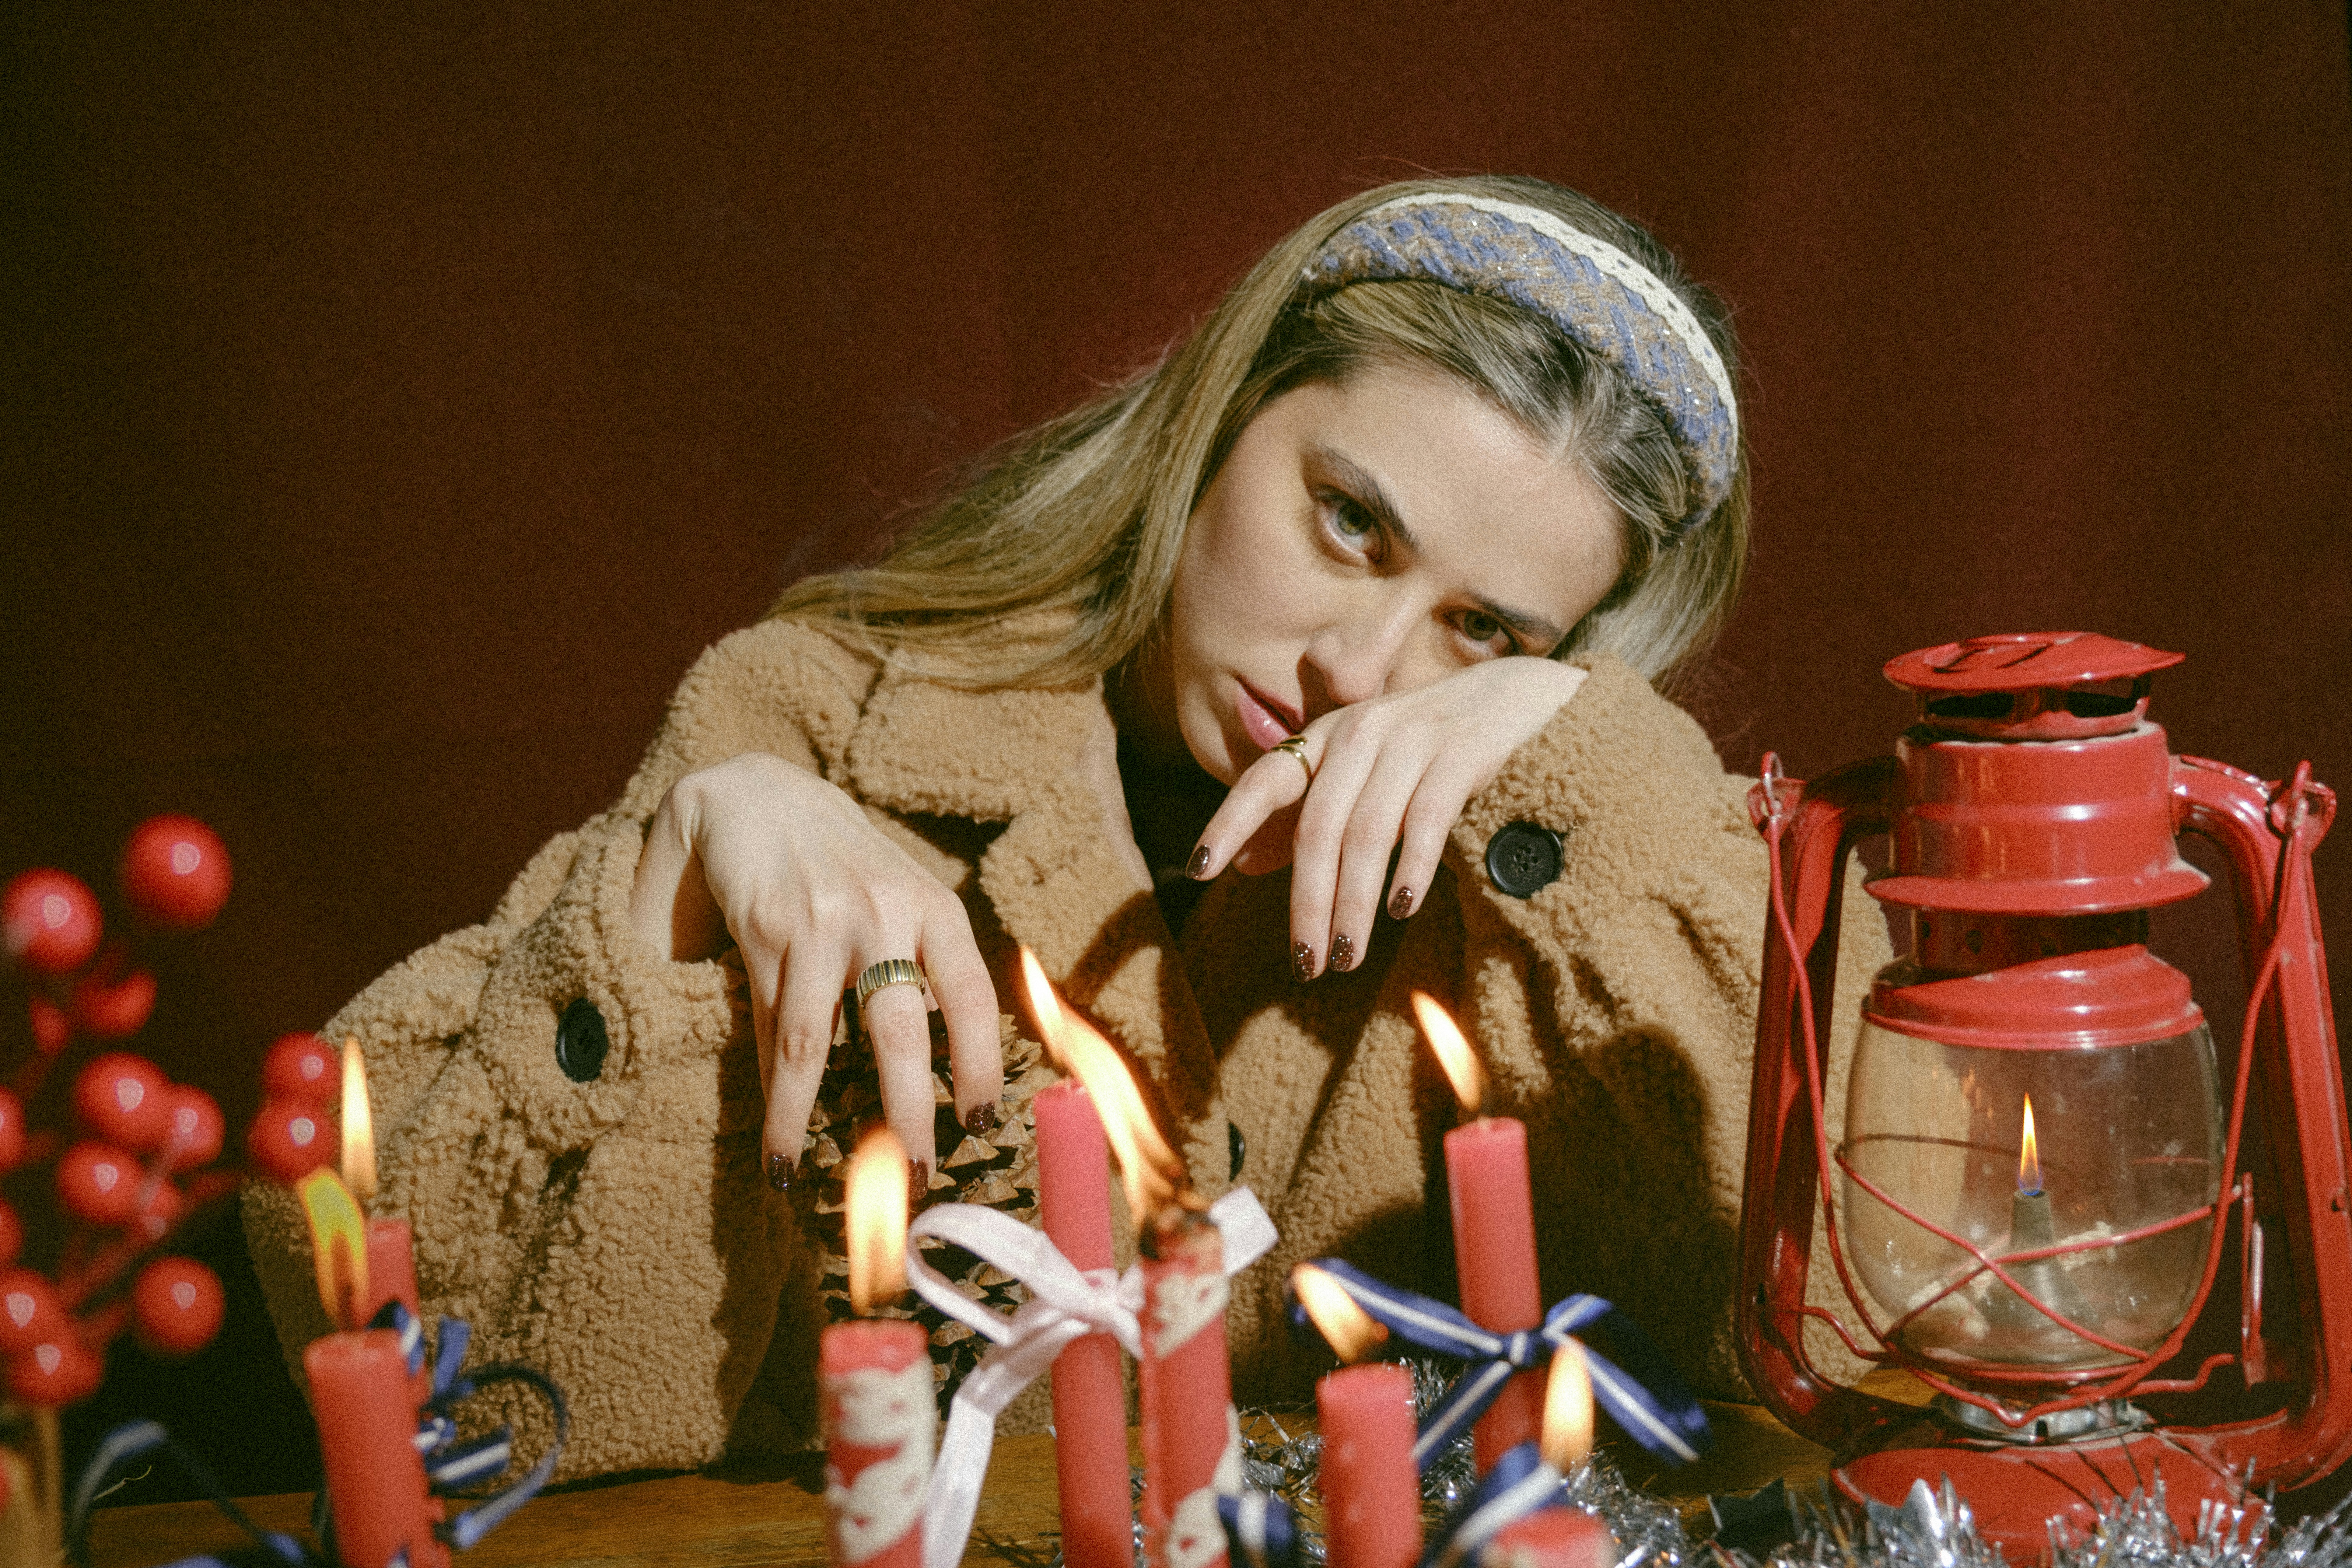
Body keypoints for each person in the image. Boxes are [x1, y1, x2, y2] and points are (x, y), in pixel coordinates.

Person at [245, 173, 1887, 1479]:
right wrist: (683, 871)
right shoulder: (820, 719)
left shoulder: (1577, 865)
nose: (1355, 671)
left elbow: (1883, 1285)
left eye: (1487, 632)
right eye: (1349, 520)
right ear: (1219, 419)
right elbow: (447, 1396)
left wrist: (1579, 750)